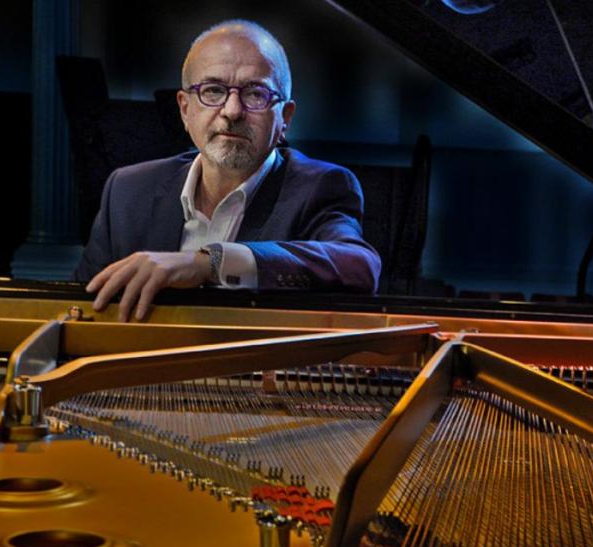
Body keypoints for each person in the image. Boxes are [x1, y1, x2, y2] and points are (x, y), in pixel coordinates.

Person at [76, 20, 381, 321]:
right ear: (185, 109)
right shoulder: (127, 190)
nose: (232, 111)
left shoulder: (321, 187)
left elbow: (360, 266)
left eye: (255, 94)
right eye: (213, 91)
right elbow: (79, 309)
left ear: (285, 118)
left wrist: (209, 263)